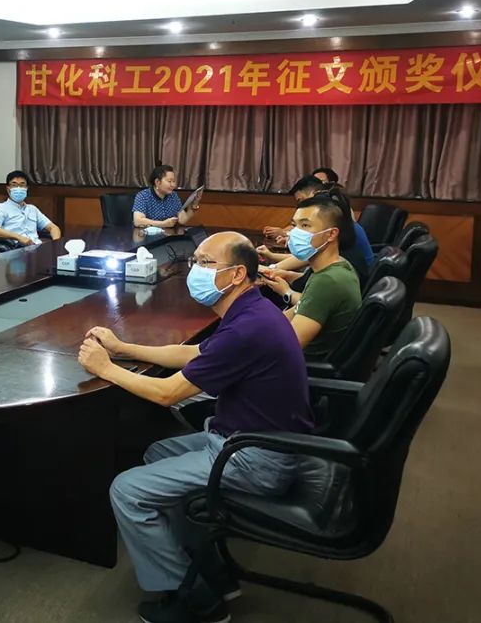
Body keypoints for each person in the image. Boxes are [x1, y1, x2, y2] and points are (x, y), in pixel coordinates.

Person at [77, 231, 312, 623]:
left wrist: (106, 369)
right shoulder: (253, 309)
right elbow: (195, 353)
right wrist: (122, 348)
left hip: (256, 456)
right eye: (195, 261)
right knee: (157, 452)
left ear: (237, 274)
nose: (195, 270)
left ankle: (197, 601)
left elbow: (168, 393)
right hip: (251, 438)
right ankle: (209, 570)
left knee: (127, 490)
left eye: (205, 263)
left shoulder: (247, 329)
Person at [258, 192, 363, 357]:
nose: (295, 233)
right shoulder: (338, 265)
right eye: (295, 225)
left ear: (331, 234)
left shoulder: (327, 281)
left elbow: (287, 346)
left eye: (305, 225)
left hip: (304, 364)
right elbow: (297, 311)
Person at [260, 175, 372, 277]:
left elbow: (309, 261)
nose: (302, 206)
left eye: (305, 225)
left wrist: (271, 269)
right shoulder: (335, 226)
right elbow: (309, 257)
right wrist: (273, 261)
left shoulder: (336, 268)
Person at [0, 170, 62, 246]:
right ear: (8, 189)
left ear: (26, 188)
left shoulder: (32, 209)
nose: (18, 188)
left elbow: (53, 228)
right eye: (14, 185)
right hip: (15, 248)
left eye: (22, 185)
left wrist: (55, 244)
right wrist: (18, 237)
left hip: (37, 247)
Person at [132, 164, 200, 229]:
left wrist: (193, 206)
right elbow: (138, 221)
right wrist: (163, 224)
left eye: (173, 181)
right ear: (157, 182)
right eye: (169, 181)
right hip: (148, 235)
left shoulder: (173, 196)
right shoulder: (143, 196)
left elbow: (182, 220)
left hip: (169, 235)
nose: (173, 185)